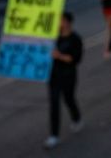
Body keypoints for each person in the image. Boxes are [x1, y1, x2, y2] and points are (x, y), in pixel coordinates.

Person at [45, 12, 83, 149]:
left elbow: (75, 59)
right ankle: (53, 135)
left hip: (68, 75)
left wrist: (59, 56)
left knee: (69, 99)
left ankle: (76, 117)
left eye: (61, 20)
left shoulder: (75, 39)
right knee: (54, 104)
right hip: (53, 76)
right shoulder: (54, 38)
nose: (58, 23)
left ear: (67, 22)